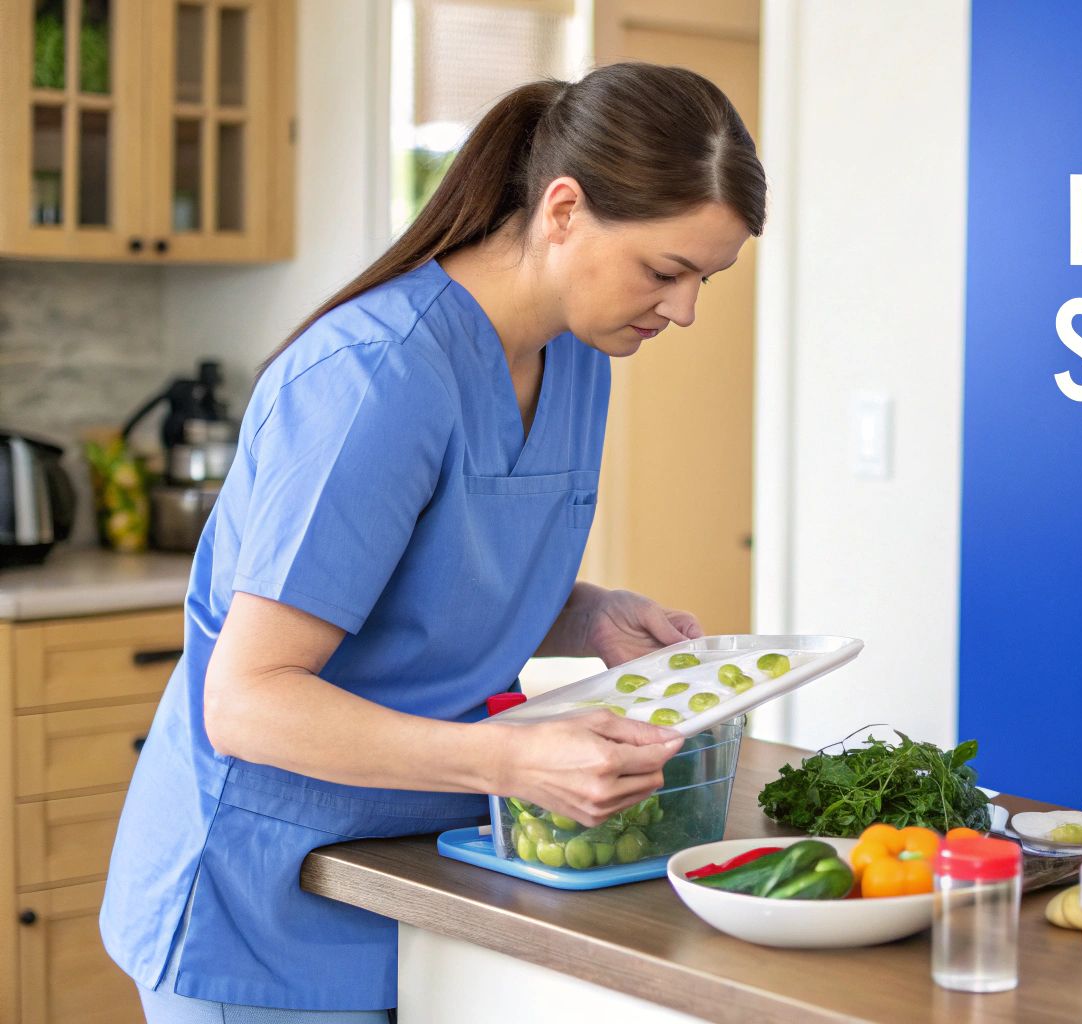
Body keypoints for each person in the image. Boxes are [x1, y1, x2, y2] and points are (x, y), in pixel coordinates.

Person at [100, 62, 766, 1021]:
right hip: (258, 901)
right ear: (565, 210)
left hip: (417, 875)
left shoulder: (579, 355)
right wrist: (513, 761)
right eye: (666, 271)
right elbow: (249, 703)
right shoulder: (374, 378)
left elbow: (435, 573)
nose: (685, 309)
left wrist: (589, 613)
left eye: (708, 278)